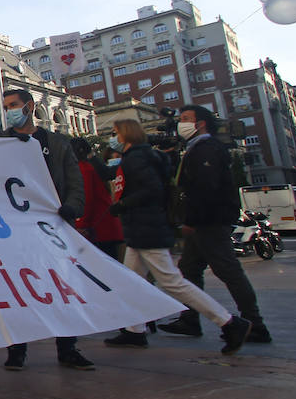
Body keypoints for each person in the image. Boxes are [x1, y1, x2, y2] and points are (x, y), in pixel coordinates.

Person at [101, 119, 251, 353]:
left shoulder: (137, 158)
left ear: (126, 134)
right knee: (131, 280)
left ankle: (229, 322)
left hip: (146, 229)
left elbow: (151, 190)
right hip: (141, 229)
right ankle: (134, 330)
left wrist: (122, 206)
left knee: (172, 282)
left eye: (115, 133)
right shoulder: (144, 157)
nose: (113, 137)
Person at [157, 106, 272, 343]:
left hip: (210, 221)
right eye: (181, 119)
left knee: (228, 271)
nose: (181, 123)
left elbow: (205, 189)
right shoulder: (194, 149)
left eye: (186, 119)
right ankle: (189, 319)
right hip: (203, 221)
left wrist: (192, 219)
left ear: (201, 123)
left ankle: (255, 323)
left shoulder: (206, 149)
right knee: (189, 269)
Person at [0, 89, 94, 371]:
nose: (9, 111)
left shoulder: (57, 143)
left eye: (13, 105)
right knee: (17, 286)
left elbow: (75, 183)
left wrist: (72, 207)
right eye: (6, 107)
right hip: (16, 227)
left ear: (29, 106)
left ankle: (68, 347)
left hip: (55, 225)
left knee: (63, 287)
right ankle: (17, 348)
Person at [71, 136, 123, 261]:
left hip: (99, 229)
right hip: (104, 226)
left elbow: (86, 199)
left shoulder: (84, 169)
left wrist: (81, 225)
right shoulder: (89, 167)